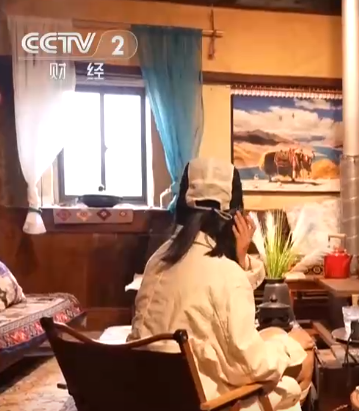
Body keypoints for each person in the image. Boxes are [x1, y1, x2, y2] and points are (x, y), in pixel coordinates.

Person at [129, 158, 313, 411]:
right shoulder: (226, 274)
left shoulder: (157, 261)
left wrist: (239, 258)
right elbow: (253, 367)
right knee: (303, 358)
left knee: (277, 335)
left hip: (156, 396)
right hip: (212, 402)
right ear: (234, 216)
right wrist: (291, 348)